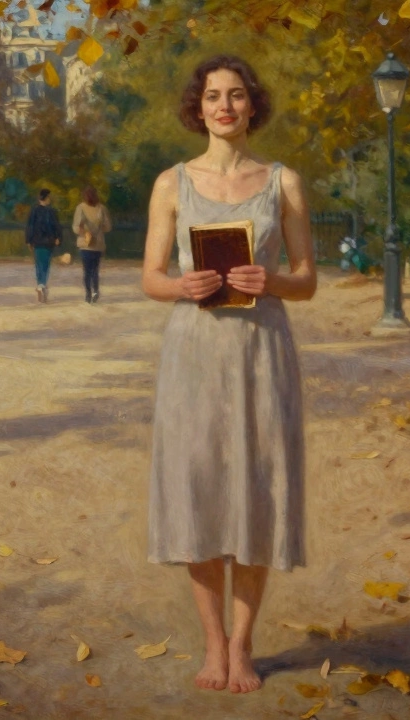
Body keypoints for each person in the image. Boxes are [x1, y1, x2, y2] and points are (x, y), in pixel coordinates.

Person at [141, 55, 317, 694]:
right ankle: (211, 643)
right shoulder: (171, 184)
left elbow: (307, 280)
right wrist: (179, 286)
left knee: (255, 491)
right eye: (214, 96)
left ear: (252, 105)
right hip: (193, 354)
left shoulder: (283, 182)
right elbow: (150, 277)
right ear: (199, 106)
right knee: (197, 492)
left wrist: (270, 281)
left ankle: (243, 646)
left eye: (236, 95)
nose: (224, 106)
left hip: (259, 353)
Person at [72, 185, 112, 304]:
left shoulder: (81, 208)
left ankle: (88, 293)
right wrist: (99, 229)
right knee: (95, 270)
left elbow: (75, 228)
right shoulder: (102, 209)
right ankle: (95, 291)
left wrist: (84, 232)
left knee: (87, 271)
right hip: (98, 245)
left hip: (85, 244)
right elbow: (108, 227)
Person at [25, 188, 61, 303]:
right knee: (45, 264)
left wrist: (28, 241)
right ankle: (43, 285)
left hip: (37, 242)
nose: (50, 199)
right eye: (49, 197)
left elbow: (30, 226)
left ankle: (40, 285)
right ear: (45, 198)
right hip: (49, 242)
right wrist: (58, 238)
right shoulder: (52, 211)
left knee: (39, 264)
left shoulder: (34, 211)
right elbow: (57, 226)